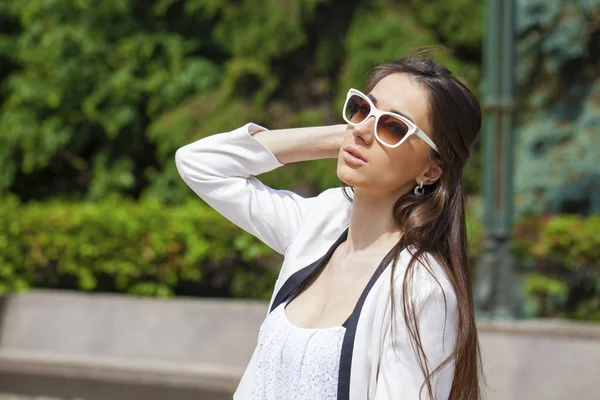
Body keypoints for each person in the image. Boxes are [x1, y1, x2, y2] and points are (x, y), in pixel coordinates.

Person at [175, 55, 484, 400]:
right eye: (361, 108)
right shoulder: (318, 224)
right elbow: (200, 164)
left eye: (394, 127)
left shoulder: (421, 289)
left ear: (431, 170)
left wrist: (360, 132)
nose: (364, 129)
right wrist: (341, 136)